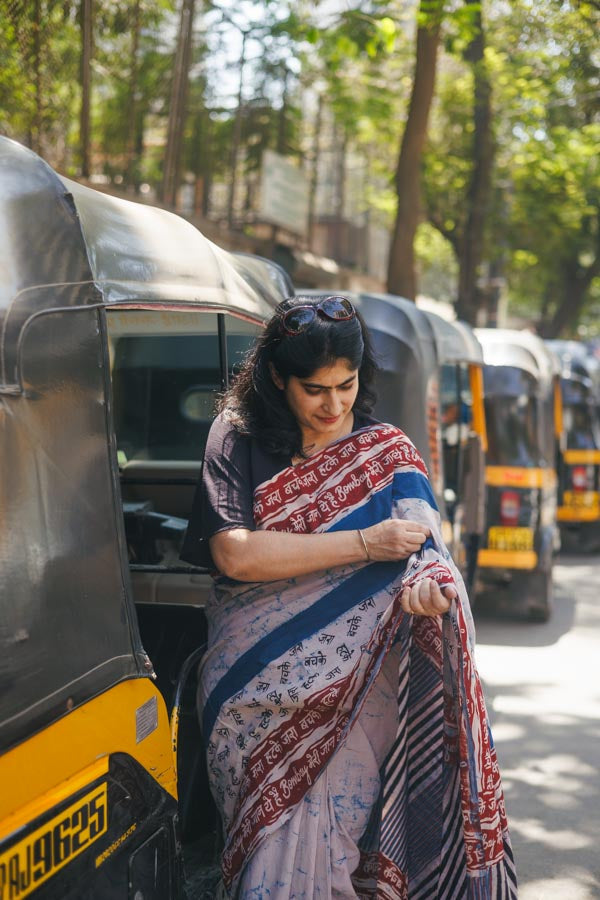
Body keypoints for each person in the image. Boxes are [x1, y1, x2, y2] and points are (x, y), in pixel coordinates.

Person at [182, 295, 517, 899]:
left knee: (337, 843)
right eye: (314, 389)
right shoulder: (237, 435)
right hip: (252, 693)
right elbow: (234, 553)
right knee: (266, 848)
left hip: (361, 689)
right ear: (277, 378)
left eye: (346, 385)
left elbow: (428, 561)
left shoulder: (386, 453)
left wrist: (427, 593)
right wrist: (365, 542)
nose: (333, 405)